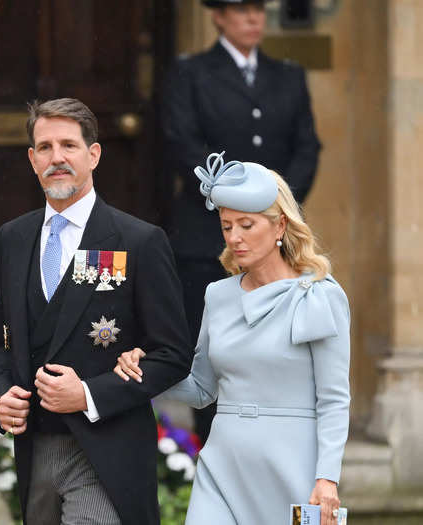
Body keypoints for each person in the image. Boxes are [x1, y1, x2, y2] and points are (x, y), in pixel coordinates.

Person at [0, 98, 192, 525]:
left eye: (68, 145)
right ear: (31, 159)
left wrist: (89, 395)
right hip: (34, 452)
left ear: (93, 155)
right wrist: (0, 397)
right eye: (44, 147)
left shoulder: (139, 241)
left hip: (106, 450)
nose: (56, 158)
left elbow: (173, 354)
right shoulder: (13, 238)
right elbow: (2, 343)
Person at [114, 152, 350, 525]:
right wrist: (147, 370)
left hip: (293, 467)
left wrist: (327, 478)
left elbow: (334, 399)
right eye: (227, 226)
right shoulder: (218, 295)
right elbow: (201, 389)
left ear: (279, 227)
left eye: (246, 225)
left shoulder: (319, 295)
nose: (234, 238)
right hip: (223, 462)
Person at [161, 0, 322, 444]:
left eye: (258, 10)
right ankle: (215, 460)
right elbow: (184, 146)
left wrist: (274, 211)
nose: (253, 19)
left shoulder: (288, 76)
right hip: (207, 241)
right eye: (241, 10)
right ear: (218, 16)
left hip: (277, 243)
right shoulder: (191, 73)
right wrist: (241, 212)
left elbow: (306, 149)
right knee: (214, 356)